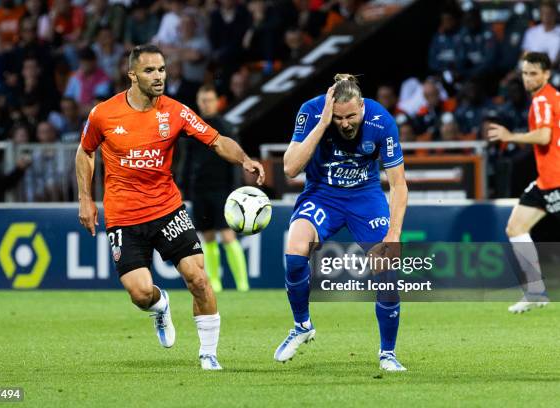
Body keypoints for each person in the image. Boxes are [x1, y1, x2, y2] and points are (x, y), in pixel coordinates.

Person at [75, 44, 264, 370]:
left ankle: (208, 354)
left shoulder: (175, 112)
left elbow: (217, 140)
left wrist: (245, 159)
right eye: (150, 70)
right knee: (140, 293)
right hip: (123, 216)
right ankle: (160, 306)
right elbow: (85, 152)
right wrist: (85, 198)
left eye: (162, 69)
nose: (158, 76)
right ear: (132, 74)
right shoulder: (104, 114)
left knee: (199, 279)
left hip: (167, 209)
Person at [275, 74, 408, 371]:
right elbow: (290, 168)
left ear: (362, 106)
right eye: (338, 117)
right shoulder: (311, 112)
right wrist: (322, 124)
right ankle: (302, 326)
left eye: (351, 116)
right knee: (295, 249)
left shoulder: (381, 121)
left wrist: (395, 233)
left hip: (365, 197)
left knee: (386, 269)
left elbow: (399, 185)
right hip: (322, 195)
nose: (346, 123)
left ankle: (388, 353)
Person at [487, 52, 560, 313]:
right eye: (525, 73)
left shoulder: (542, 100)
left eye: (533, 73)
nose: (527, 78)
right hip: (547, 179)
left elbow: (543, 136)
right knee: (516, 228)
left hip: (554, 180)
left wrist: (510, 135)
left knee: (516, 229)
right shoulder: (552, 98)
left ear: (546, 74)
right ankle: (536, 291)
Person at [181, 84, 249, 292]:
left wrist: (236, 190)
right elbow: (187, 160)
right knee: (207, 237)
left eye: (209, 100)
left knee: (227, 235)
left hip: (223, 190)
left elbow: (236, 160)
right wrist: (183, 186)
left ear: (217, 101)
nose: (206, 104)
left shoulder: (226, 127)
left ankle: (242, 284)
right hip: (200, 190)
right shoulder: (192, 128)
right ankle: (215, 284)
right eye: (203, 100)